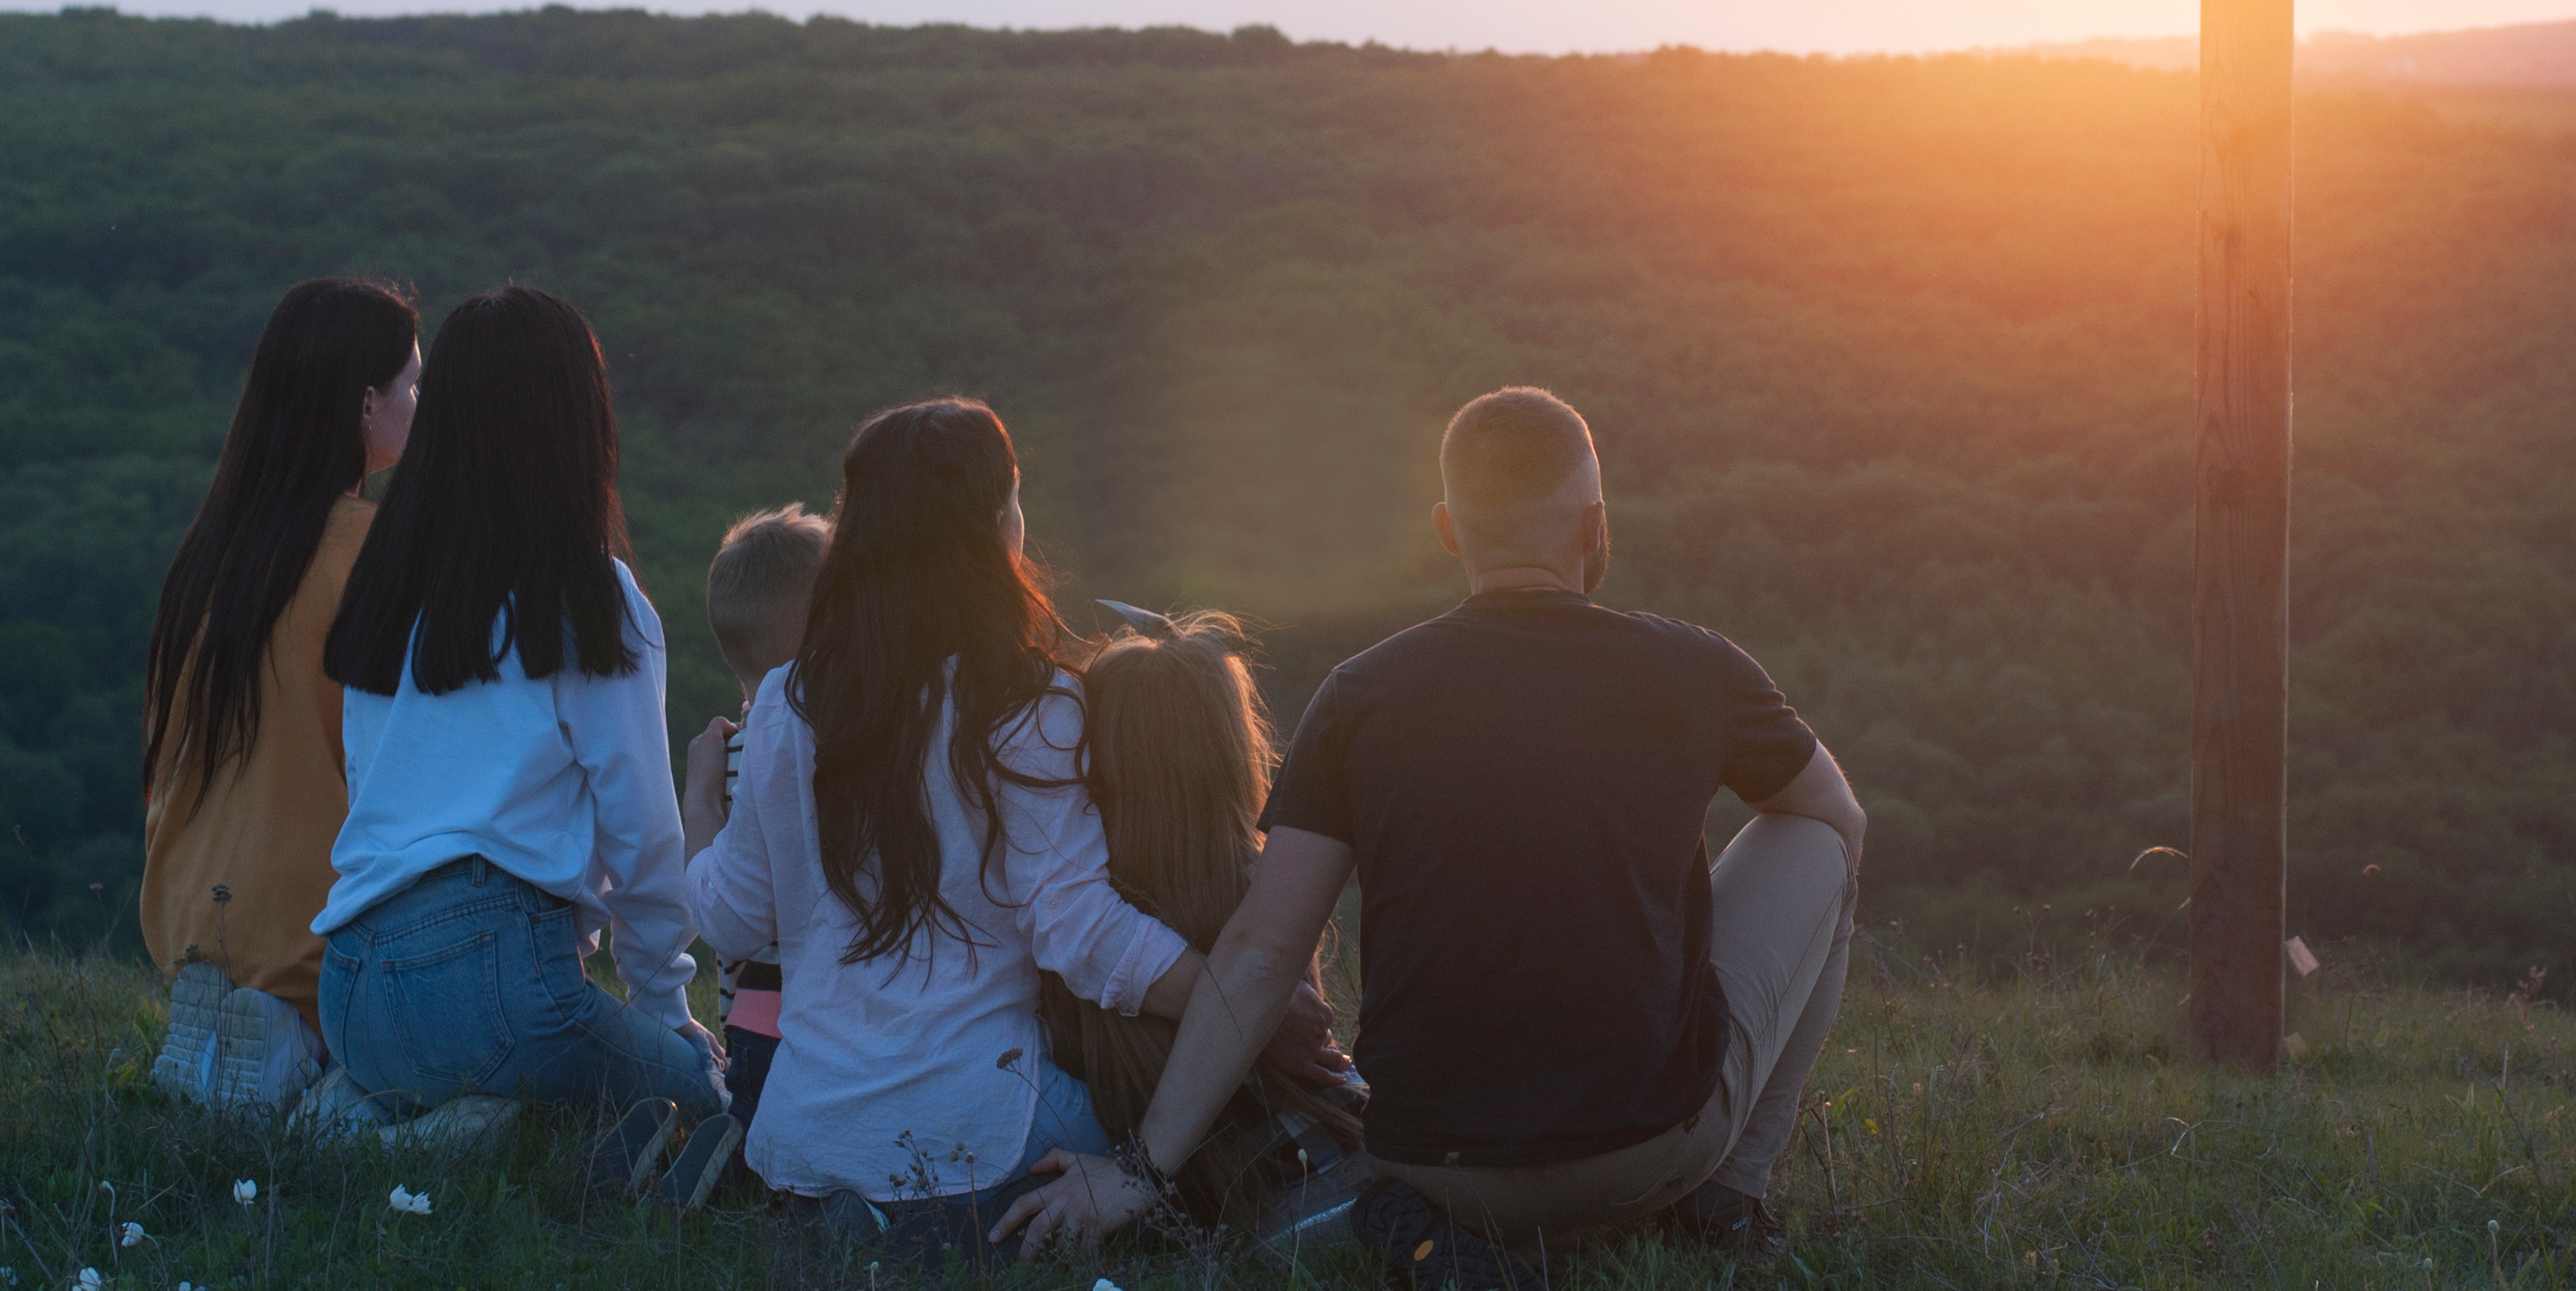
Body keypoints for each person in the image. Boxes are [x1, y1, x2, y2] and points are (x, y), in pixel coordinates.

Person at [1003, 386, 1869, 1279]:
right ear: (1594, 525)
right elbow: (1835, 816)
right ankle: (1727, 1200)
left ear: (1449, 529)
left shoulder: (1358, 695)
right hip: (1645, 1156)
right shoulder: (1698, 666)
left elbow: (1261, 954)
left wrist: (1142, 1169)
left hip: (1429, 1170)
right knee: (1823, 843)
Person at [677, 399, 1198, 1258]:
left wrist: (701, 811)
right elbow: (1076, 930)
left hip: (804, 1136)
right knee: (1176, 1133)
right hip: (980, 1124)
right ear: (998, 522)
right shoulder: (1028, 701)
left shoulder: (788, 702)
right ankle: (930, 1228)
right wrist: (1226, 995)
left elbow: (733, 923)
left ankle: (866, 1226)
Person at [314, 285, 726, 1135]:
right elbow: (644, 830)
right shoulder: (586, 597)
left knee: (537, 1074)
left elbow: (368, 781)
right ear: (577, 420)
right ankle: (479, 1128)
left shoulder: (389, 588)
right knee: (703, 1089)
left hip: (352, 989)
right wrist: (660, 1001)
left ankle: (387, 1121)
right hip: (490, 977)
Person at [140, 276, 422, 1110]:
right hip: (314, 929)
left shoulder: (207, 554)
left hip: (188, 914)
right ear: (365, 406)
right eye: (413, 385)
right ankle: (304, 1039)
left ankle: (237, 1012)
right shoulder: (371, 552)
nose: (422, 402)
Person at [1039, 608, 1366, 1227]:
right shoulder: (1262, 884)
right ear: (1228, 748)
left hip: (1193, 1194)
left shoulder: (1074, 914)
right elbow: (1317, 1046)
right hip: (1324, 1166)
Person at [699, 502, 832, 1142]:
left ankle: (722, 1146)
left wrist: (698, 798)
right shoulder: (820, 743)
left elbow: (712, 894)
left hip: (749, 1029)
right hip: (820, 1021)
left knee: (754, 1126)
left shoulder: (726, 754)